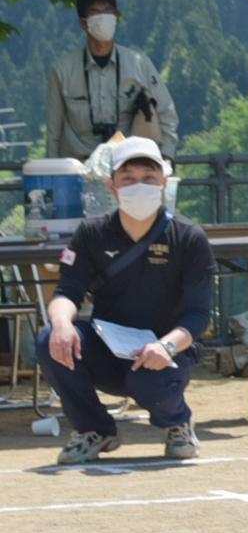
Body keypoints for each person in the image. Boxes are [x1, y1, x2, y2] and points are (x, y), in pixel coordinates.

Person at [36, 138, 213, 463]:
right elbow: (68, 291)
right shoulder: (91, 233)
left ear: (163, 182)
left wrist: (166, 347)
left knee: (151, 381)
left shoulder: (189, 237)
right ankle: (95, 429)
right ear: (112, 185)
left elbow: (199, 314)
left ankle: (177, 422)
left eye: (148, 177)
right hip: (108, 347)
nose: (138, 186)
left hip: (168, 352)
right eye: (128, 178)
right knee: (51, 339)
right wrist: (61, 323)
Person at [45, 0, 179, 161]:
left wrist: (166, 157)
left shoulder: (139, 63)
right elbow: (53, 131)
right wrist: (53, 171)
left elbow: (166, 112)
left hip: (127, 165)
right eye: (95, 13)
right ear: (83, 23)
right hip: (79, 165)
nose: (103, 18)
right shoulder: (62, 70)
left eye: (108, 12)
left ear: (116, 18)